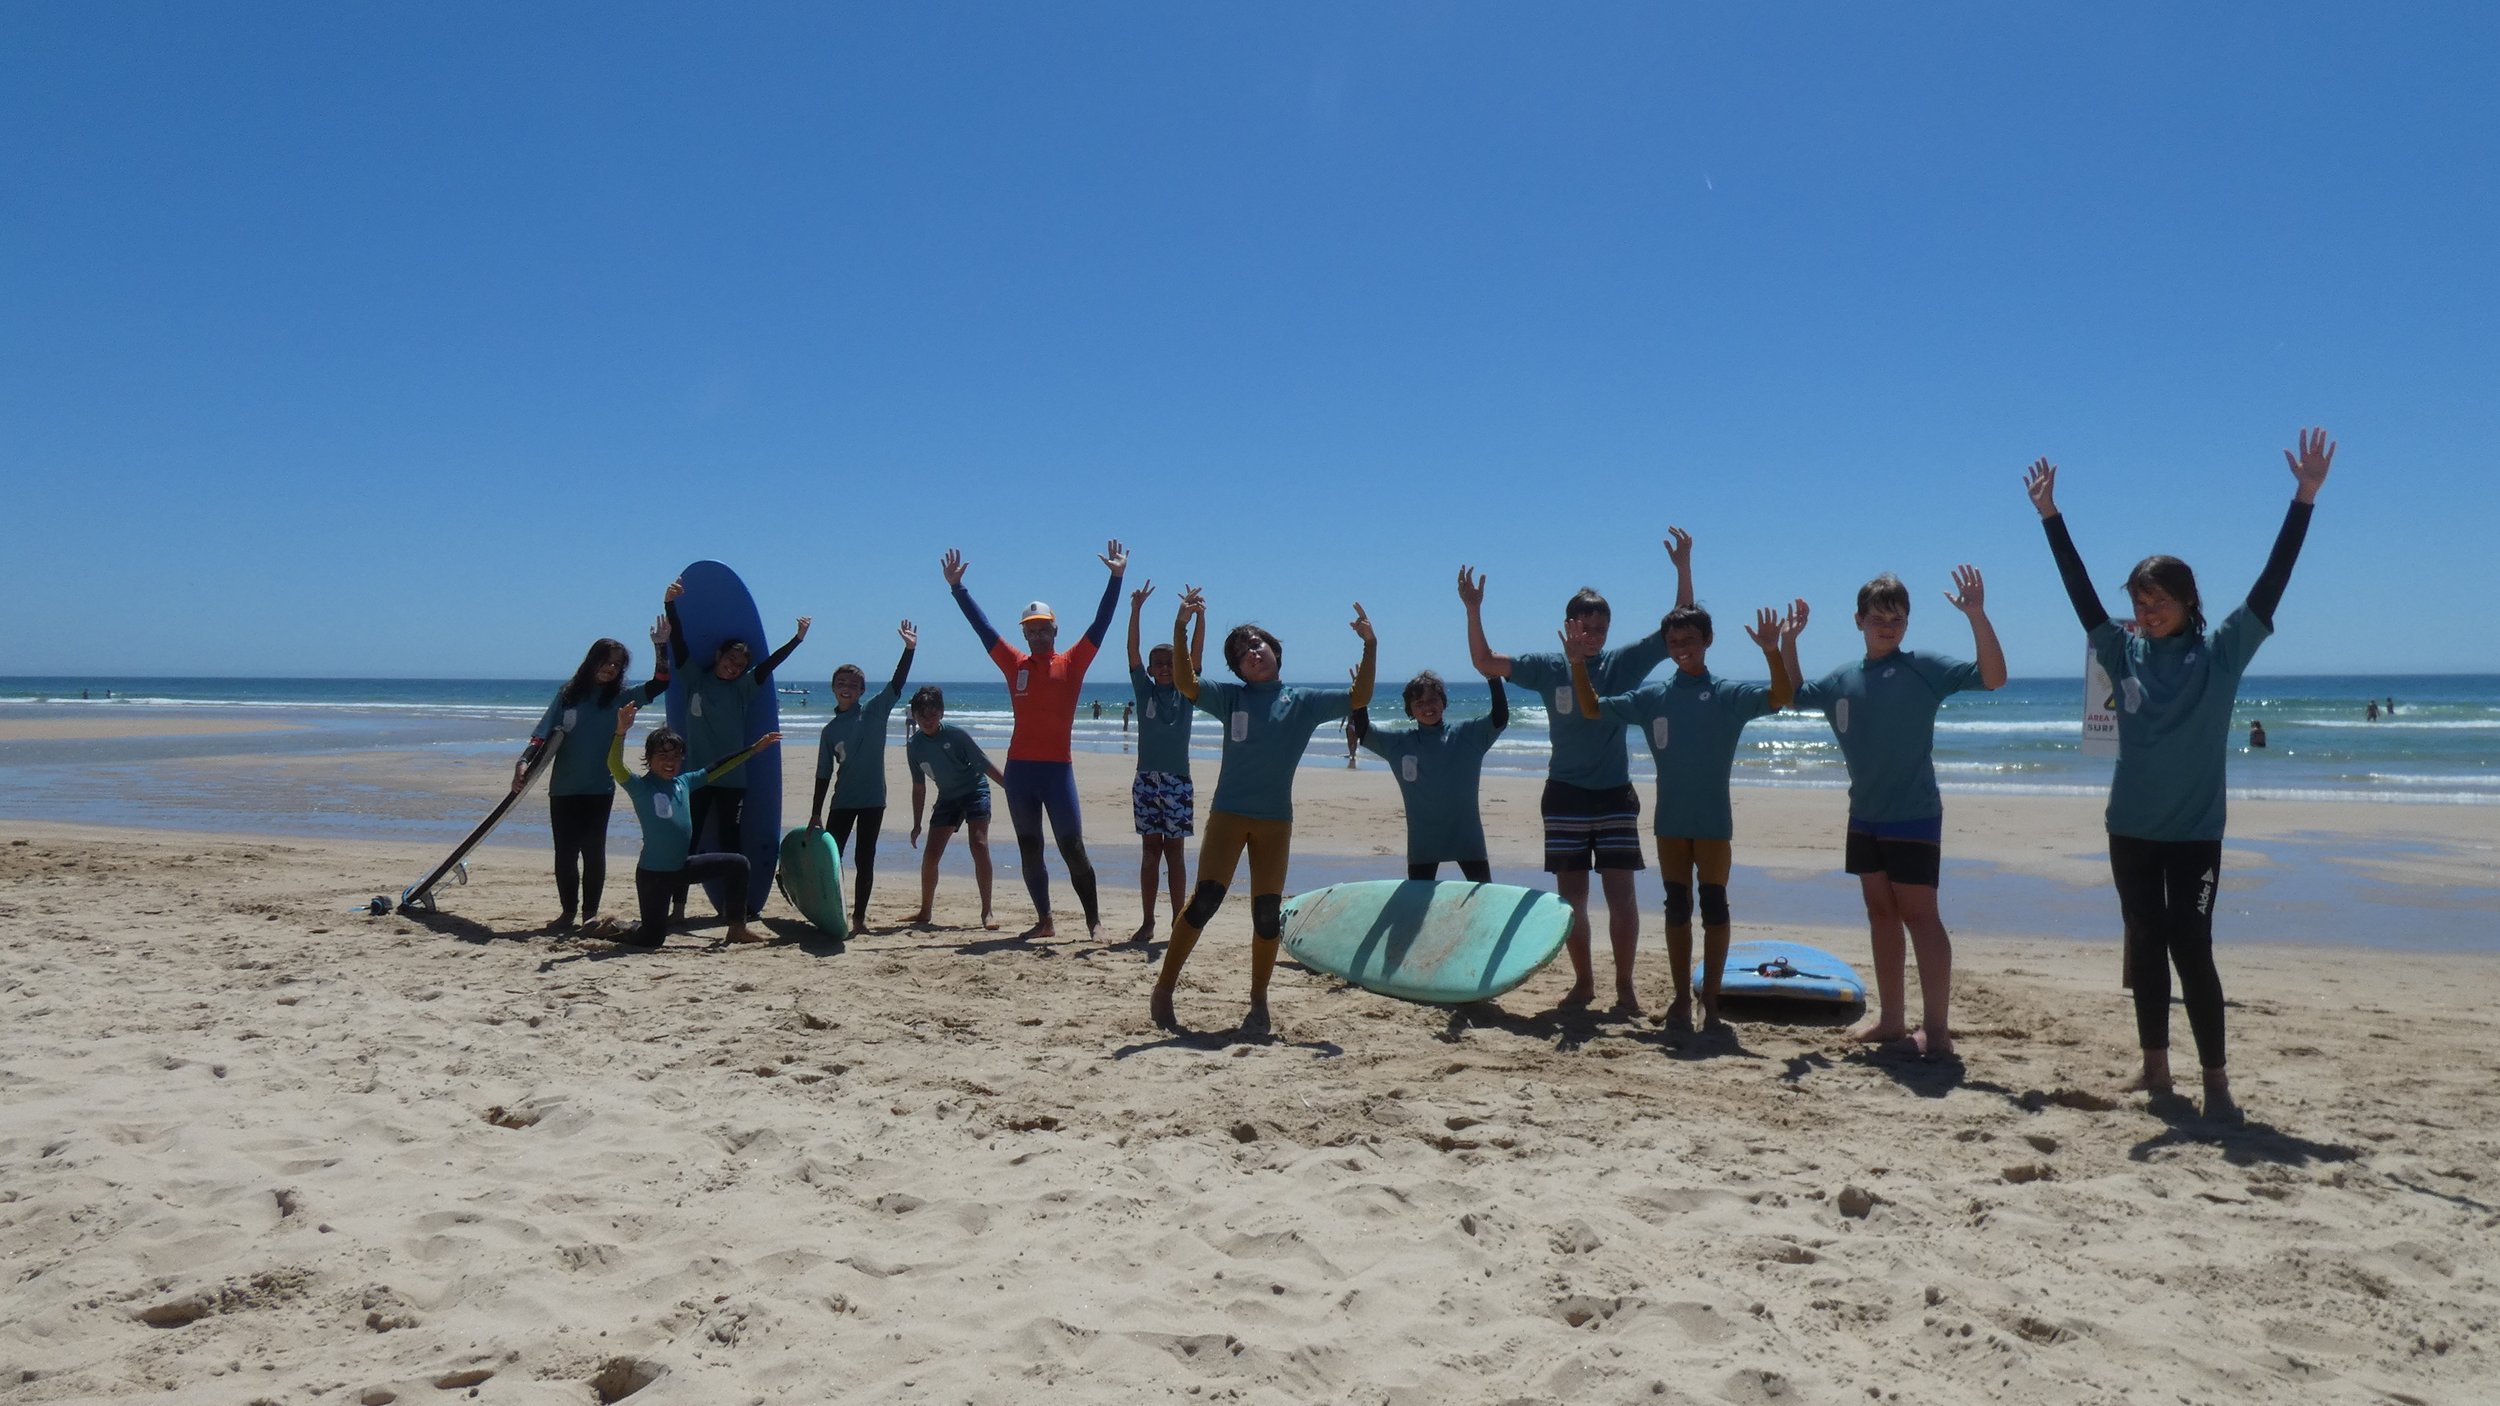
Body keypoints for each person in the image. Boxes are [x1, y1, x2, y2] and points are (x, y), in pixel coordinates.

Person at [2024, 428, 2334, 1121]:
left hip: (2195, 834)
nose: (2147, 608)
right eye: (2140, 598)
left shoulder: (2222, 653)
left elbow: (2271, 583)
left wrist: (2304, 497)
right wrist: (2051, 517)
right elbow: (2078, 593)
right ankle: (2157, 1070)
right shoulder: (2121, 650)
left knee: (2192, 948)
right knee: (2146, 945)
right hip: (2129, 829)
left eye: (2159, 596)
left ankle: (2217, 1082)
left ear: (2189, 600)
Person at [1461, 532, 1693, 1012]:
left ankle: (1625, 987)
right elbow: (1484, 661)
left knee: (1622, 894)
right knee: (1572, 900)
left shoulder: (1622, 663)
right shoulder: (1547, 667)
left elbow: (1679, 628)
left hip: (1613, 795)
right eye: (1585, 629)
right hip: (1564, 794)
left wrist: (1682, 568)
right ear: (1568, 625)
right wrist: (1472, 608)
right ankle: (1584, 982)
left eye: (1600, 631)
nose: (1592, 638)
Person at [1783, 565, 2006, 1057]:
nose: (1888, 626)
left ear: (1908, 623)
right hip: (1864, 814)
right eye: (1879, 617)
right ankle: (1890, 1019)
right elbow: (1794, 695)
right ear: (1858, 620)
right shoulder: (1842, 678)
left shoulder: (1922, 667)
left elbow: (1994, 677)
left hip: (1913, 813)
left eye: (1898, 618)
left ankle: (1938, 1030)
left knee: (1920, 917)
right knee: (1880, 913)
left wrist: (1976, 615)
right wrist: (1788, 643)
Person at [1150, 590, 1376, 1033]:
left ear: (1275, 651)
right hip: (1229, 815)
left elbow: (1358, 695)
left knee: (1268, 914)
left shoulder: (1304, 701)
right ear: (1236, 669)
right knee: (1206, 901)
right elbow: (1186, 682)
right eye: (1241, 652)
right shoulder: (1231, 698)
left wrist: (1370, 645)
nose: (1252, 652)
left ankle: (1258, 1000)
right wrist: (1180, 628)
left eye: (1258, 644)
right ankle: (1164, 987)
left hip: (1275, 822)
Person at [1572, 593, 1799, 1031]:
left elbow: (1781, 695)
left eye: (1690, 639)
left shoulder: (1727, 694)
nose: (1681, 647)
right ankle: (1680, 998)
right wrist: (1579, 664)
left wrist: (1772, 652)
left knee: (1714, 907)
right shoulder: (1653, 697)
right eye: (1674, 641)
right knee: (1677, 908)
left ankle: (1709, 1001)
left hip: (1713, 823)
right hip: (1671, 823)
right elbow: (1590, 707)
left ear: (1708, 640)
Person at [942, 541, 1125, 942]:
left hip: (1058, 771)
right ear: (1024, 635)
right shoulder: (1015, 663)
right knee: (1030, 847)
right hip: (1021, 771)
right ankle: (1045, 919)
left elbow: (1102, 623)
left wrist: (1116, 578)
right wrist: (958, 589)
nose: (1039, 634)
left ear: (1055, 630)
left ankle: (1093, 921)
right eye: (1031, 630)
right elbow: (983, 628)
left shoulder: (1073, 661)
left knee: (1073, 847)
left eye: (1044, 628)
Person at [664, 579, 808, 919]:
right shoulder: (694, 679)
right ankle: (678, 908)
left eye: (740, 664)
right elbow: (679, 642)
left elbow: (770, 666)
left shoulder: (743, 688)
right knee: (688, 840)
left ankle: (732, 909)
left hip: (732, 780)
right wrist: (670, 604)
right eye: (730, 659)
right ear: (719, 656)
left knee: (730, 844)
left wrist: (797, 640)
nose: (734, 666)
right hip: (696, 778)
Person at [517, 621, 671, 932]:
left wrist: (660, 645)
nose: (611, 668)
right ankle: (567, 913)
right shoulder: (568, 695)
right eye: (606, 661)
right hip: (563, 787)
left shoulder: (621, 698)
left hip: (599, 788)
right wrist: (523, 762)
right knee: (565, 853)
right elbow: (542, 734)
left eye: (617, 664)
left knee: (593, 852)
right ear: (592, 661)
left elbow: (661, 682)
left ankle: (589, 914)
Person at [605, 703, 780, 948]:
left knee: (738, 864)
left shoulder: (684, 783)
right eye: (663, 756)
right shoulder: (640, 787)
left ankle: (737, 928)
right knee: (651, 938)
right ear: (649, 758)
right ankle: (615, 927)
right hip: (653, 875)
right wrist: (620, 731)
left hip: (682, 868)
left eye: (676, 756)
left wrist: (753, 750)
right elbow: (615, 765)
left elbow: (717, 768)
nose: (670, 761)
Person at [805, 620, 916, 931]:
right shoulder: (829, 731)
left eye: (853, 684)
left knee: (865, 858)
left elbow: (897, 683)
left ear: (862, 691)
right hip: (842, 801)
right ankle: (833, 911)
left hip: (872, 800)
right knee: (833, 860)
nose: (847, 687)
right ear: (833, 687)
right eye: (842, 682)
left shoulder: (876, 711)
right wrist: (815, 813)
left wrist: (909, 649)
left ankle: (859, 919)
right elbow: (823, 774)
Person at [1354, 664, 1508, 882]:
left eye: (1433, 699)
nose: (1427, 706)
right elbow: (1363, 731)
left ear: (1443, 702)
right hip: (1423, 842)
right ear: (1410, 710)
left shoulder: (1467, 736)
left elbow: (1500, 718)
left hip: (1467, 837)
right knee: (1417, 907)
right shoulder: (1399, 743)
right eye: (1419, 703)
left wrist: (1493, 679)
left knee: (1484, 898)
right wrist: (1360, 694)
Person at [1126, 579, 1207, 944]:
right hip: (1146, 780)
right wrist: (1136, 609)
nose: (1162, 668)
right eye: (1157, 664)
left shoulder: (1187, 692)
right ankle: (1147, 921)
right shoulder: (1144, 691)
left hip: (1177, 780)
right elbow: (1132, 650)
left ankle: (1178, 920)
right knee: (1149, 852)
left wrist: (1199, 618)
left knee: (1175, 852)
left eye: (1169, 663)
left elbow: (1196, 654)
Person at [903, 686, 1008, 930]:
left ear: (941, 713)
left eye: (932, 714)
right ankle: (925, 910)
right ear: (914, 717)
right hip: (948, 798)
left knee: (979, 845)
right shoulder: (914, 746)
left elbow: (984, 764)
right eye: (922, 715)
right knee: (930, 856)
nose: (927, 720)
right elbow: (918, 787)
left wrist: (1011, 788)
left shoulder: (957, 736)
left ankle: (987, 912)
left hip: (975, 791)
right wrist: (917, 823)